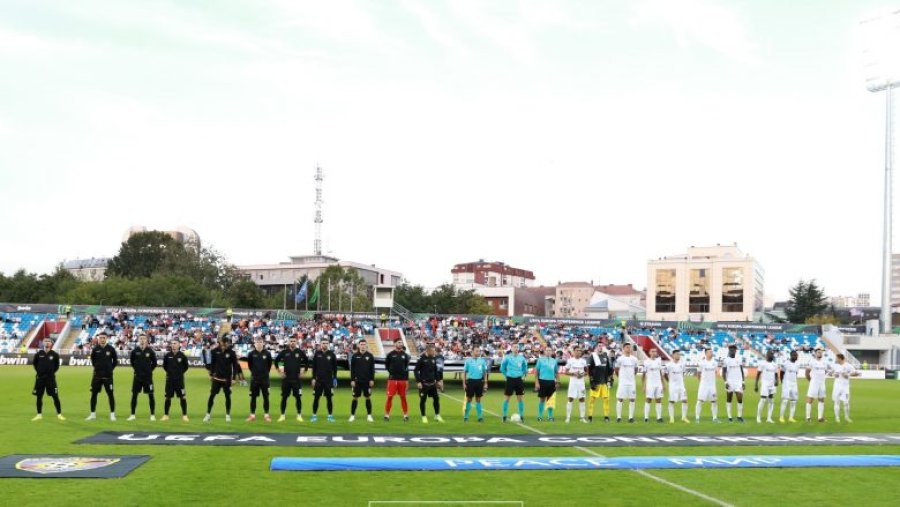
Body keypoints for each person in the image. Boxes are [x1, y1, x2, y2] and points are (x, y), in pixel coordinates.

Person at [203, 336, 244, 422]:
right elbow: (212, 364)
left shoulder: (232, 353)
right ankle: (208, 414)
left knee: (227, 396)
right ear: (221, 343)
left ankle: (228, 415)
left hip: (227, 379)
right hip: (216, 378)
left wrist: (233, 378)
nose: (226, 345)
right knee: (212, 396)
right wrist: (211, 374)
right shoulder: (214, 351)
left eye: (227, 343)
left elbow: (235, 366)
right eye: (225, 343)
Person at [274, 336, 307, 422]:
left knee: (298, 398)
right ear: (289, 342)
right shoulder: (285, 352)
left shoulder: (299, 352)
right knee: (284, 397)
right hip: (286, 380)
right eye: (291, 341)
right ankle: (282, 415)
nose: (292, 342)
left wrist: (304, 372)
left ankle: (299, 415)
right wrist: (279, 371)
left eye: (294, 341)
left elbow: (307, 361)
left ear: (296, 342)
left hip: (297, 380)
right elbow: (276, 361)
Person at [87, 331, 117, 421]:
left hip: (108, 377)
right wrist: (97, 368)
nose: (102, 339)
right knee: (94, 395)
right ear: (98, 339)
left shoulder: (111, 349)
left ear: (106, 338)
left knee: (110, 395)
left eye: (104, 338)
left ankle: (112, 414)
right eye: (100, 338)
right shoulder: (95, 349)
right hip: (97, 377)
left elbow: (115, 361)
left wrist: (110, 369)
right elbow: (93, 360)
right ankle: (92, 414)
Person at [32, 338, 64, 421]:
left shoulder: (55, 354)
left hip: (51, 379)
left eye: (48, 341)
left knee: (55, 396)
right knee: (39, 397)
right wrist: (40, 372)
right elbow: (35, 364)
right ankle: (39, 415)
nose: (47, 342)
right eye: (45, 341)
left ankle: (59, 414)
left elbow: (57, 366)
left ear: (51, 343)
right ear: (43, 343)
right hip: (40, 379)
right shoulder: (38, 354)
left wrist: (51, 373)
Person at [128, 334, 157, 421]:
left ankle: (152, 415)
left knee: (151, 395)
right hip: (137, 377)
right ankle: (132, 414)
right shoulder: (134, 351)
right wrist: (137, 370)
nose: (142, 340)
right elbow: (132, 362)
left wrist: (148, 371)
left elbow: (154, 364)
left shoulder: (150, 351)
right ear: (138, 340)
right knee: (134, 395)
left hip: (148, 378)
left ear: (147, 340)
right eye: (140, 339)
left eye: (144, 338)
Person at [245, 336, 273, 422]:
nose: (259, 343)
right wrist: (255, 373)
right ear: (254, 343)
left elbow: (269, 365)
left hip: (265, 380)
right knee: (253, 398)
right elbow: (250, 366)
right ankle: (252, 415)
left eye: (260, 342)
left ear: (263, 343)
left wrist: (264, 373)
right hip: (254, 380)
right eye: (257, 342)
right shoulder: (251, 354)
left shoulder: (267, 353)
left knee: (266, 397)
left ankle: (266, 415)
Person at [414, 343, 444, 423]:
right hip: (424, 384)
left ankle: (437, 415)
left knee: (436, 399)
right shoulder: (421, 359)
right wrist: (418, 381)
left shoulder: (433, 359)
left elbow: (435, 371)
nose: (434, 352)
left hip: (432, 384)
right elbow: (416, 370)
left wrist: (438, 381)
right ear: (428, 350)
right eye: (433, 351)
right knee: (423, 400)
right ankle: (423, 416)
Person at [162, 338, 189, 422]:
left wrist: (179, 373)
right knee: (168, 398)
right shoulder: (167, 355)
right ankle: (166, 415)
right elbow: (164, 366)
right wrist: (170, 373)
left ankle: (184, 415)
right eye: (172, 343)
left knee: (183, 397)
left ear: (179, 345)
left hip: (179, 380)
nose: (173, 345)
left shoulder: (182, 355)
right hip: (169, 380)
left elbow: (186, 367)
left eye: (175, 343)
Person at [383, 339, 411, 422]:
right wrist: (392, 372)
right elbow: (387, 366)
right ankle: (387, 415)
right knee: (390, 397)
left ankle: (405, 415)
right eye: (399, 342)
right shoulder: (390, 355)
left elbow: (406, 367)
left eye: (401, 343)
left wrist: (405, 379)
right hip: (392, 379)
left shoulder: (405, 355)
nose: (400, 344)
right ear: (395, 344)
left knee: (403, 397)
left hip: (402, 380)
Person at [349, 339, 376, 422]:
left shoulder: (370, 356)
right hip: (357, 381)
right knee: (355, 398)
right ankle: (352, 415)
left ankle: (369, 415)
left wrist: (372, 379)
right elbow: (352, 369)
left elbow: (372, 369)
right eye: (361, 344)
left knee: (367, 397)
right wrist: (352, 380)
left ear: (366, 345)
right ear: (359, 345)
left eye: (364, 344)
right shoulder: (355, 356)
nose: (363, 346)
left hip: (367, 381)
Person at [311, 340, 337, 422]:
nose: (325, 345)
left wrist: (335, 378)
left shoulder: (332, 354)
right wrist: (313, 378)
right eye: (323, 343)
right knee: (316, 398)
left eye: (326, 343)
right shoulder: (317, 354)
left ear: (328, 344)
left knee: (329, 398)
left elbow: (335, 368)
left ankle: (330, 416)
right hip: (318, 380)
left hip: (328, 380)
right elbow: (314, 367)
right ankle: (314, 415)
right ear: (320, 344)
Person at [587, 344, 614, 423]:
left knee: (606, 400)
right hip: (596, 382)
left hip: (604, 383)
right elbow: (589, 369)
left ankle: (606, 416)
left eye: (601, 346)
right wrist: (591, 380)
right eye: (599, 346)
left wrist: (610, 379)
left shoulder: (606, 357)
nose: (600, 347)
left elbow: (610, 369)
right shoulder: (593, 356)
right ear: (596, 348)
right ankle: (590, 416)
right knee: (592, 400)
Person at [500, 345, 527, 422]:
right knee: (507, 398)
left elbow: (525, 367)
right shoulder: (507, 357)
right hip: (510, 379)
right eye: (514, 347)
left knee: (520, 398)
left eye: (517, 347)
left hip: (519, 379)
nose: (516, 349)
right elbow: (502, 368)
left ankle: (521, 416)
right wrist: (507, 375)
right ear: (511, 349)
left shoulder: (522, 358)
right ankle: (504, 415)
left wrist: (522, 374)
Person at [463, 345, 489, 422]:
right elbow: (464, 373)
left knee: (478, 399)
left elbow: (485, 373)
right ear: (472, 352)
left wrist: (485, 383)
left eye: (479, 351)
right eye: (476, 351)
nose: (478, 352)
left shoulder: (482, 361)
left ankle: (480, 417)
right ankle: (466, 417)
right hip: (470, 381)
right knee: (469, 400)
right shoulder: (468, 361)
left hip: (479, 382)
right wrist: (464, 383)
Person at [832, 353, 859, 423]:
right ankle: (837, 418)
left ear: (840, 358)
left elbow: (857, 373)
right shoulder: (835, 366)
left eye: (836, 358)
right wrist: (835, 374)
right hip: (837, 386)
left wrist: (848, 374)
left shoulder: (848, 365)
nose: (835, 359)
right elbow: (831, 373)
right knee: (836, 402)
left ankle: (847, 417)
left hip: (845, 387)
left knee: (846, 403)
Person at [805, 347, 830, 422]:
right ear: (815, 353)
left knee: (821, 399)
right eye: (818, 352)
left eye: (821, 352)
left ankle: (820, 418)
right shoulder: (812, 361)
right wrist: (811, 381)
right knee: (810, 399)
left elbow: (825, 371)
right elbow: (807, 373)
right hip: (814, 383)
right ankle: (808, 417)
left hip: (822, 383)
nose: (820, 353)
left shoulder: (824, 362)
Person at [615, 343, 638, 423]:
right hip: (623, 383)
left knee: (632, 399)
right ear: (623, 349)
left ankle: (631, 417)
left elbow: (636, 369)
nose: (628, 349)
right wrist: (621, 378)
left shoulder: (634, 359)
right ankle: (618, 417)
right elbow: (616, 370)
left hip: (631, 383)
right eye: (627, 347)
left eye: (629, 347)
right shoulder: (620, 359)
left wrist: (631, 377)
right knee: (620, 399)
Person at [534, 346, 559, 421]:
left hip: (551, 382)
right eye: (547, 350)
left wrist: (558, 381)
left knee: (550, 400)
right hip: (542, 381)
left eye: (550, 350)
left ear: (552, 352)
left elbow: (556, 372)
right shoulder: (540, 360)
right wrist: (537, 382)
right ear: (544, 352)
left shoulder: (554, 361)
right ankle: (540, 416)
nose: (548, 352)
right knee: (542, 399)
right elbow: (536, 372)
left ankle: (550, 416)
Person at [755, 350, 780, 423]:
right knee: (763, 400)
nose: (771, 355)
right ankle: (758, 417)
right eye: (770, 354)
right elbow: (758, 374)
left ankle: (769, 418)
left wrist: (777, 381)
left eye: (772, 354)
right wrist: (756, 384)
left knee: (771, 401)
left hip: (772, 385)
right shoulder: (762, 364)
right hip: (765, 384)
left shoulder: (775, 365)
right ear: (766, 355)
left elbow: (776, 375)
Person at [665, 349, 690, 423]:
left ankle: (684, 417)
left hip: (681, 385)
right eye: (676, 354)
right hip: (672, 386)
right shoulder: (668, 365)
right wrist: (669, 382)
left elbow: (683, 374)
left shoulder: (682, 364)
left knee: (685, 400)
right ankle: (671, 418)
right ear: (673, 355)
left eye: (679, 354)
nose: (678, 356)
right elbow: (665, 374)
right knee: (671, 401)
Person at [695, 348, 720, 423]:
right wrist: (702, 382)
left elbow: (715, 372)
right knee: (700, 401)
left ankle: (715, 418)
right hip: (703, 385)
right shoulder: (701, 363)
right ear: (706, 353)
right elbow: (698, 374)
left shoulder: (715, 363)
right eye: (710, 352)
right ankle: (697, 418)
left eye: (712, 352)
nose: (711, 353)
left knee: (714, 401)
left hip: (712, 385)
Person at [565, 346, 588, 423]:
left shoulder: (583, 361)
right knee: (571, 398)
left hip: (581, 383)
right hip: (573, 382)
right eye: (577, 350)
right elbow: (566, 372)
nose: (578, 352)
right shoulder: (570, 361)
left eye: (580, 350)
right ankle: (568, 417)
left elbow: (586, 372)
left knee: (582, 399)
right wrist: (574, 373)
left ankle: (582, 417)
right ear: (574, 352)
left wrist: (582, 374)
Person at [642, 347, 666, 423]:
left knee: (658, 400)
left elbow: (661, 373)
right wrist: (643, 385)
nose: (654, 353)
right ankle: (646, 417)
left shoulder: (659, 361)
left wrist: (663, 384)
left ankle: (659, 417)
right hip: (650, 384)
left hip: (658, 383)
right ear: (649, 352)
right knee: (648, 399)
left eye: (655, 351)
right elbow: (644, 374)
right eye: (652, 351)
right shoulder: (646, 362)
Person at [722, 344, 745, 423]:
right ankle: (729, 417)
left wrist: (743, 382)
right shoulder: (726, 360)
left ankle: (739, 416)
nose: (732, 350)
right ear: (729, 350)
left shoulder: (739, 359)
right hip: (730, 381)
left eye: (733, 349)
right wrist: (725, 382)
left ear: (736, 350)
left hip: (738, 381)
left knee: (740, 398)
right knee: (729, 398)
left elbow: (742, 371)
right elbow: (723, 372)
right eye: (730, 349)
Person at [778, 350, 800, 423]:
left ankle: (791, 417)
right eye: (795, 355)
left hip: (794, 384)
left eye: (797, 355)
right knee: (785, 401)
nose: (796, 357)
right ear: (791, 356)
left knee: (794, 401)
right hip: (786, 383)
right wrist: (782, 382)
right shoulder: (786, 363)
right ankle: (781, 417)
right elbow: (781, 373)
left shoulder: (797, 364)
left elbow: (796, 373)